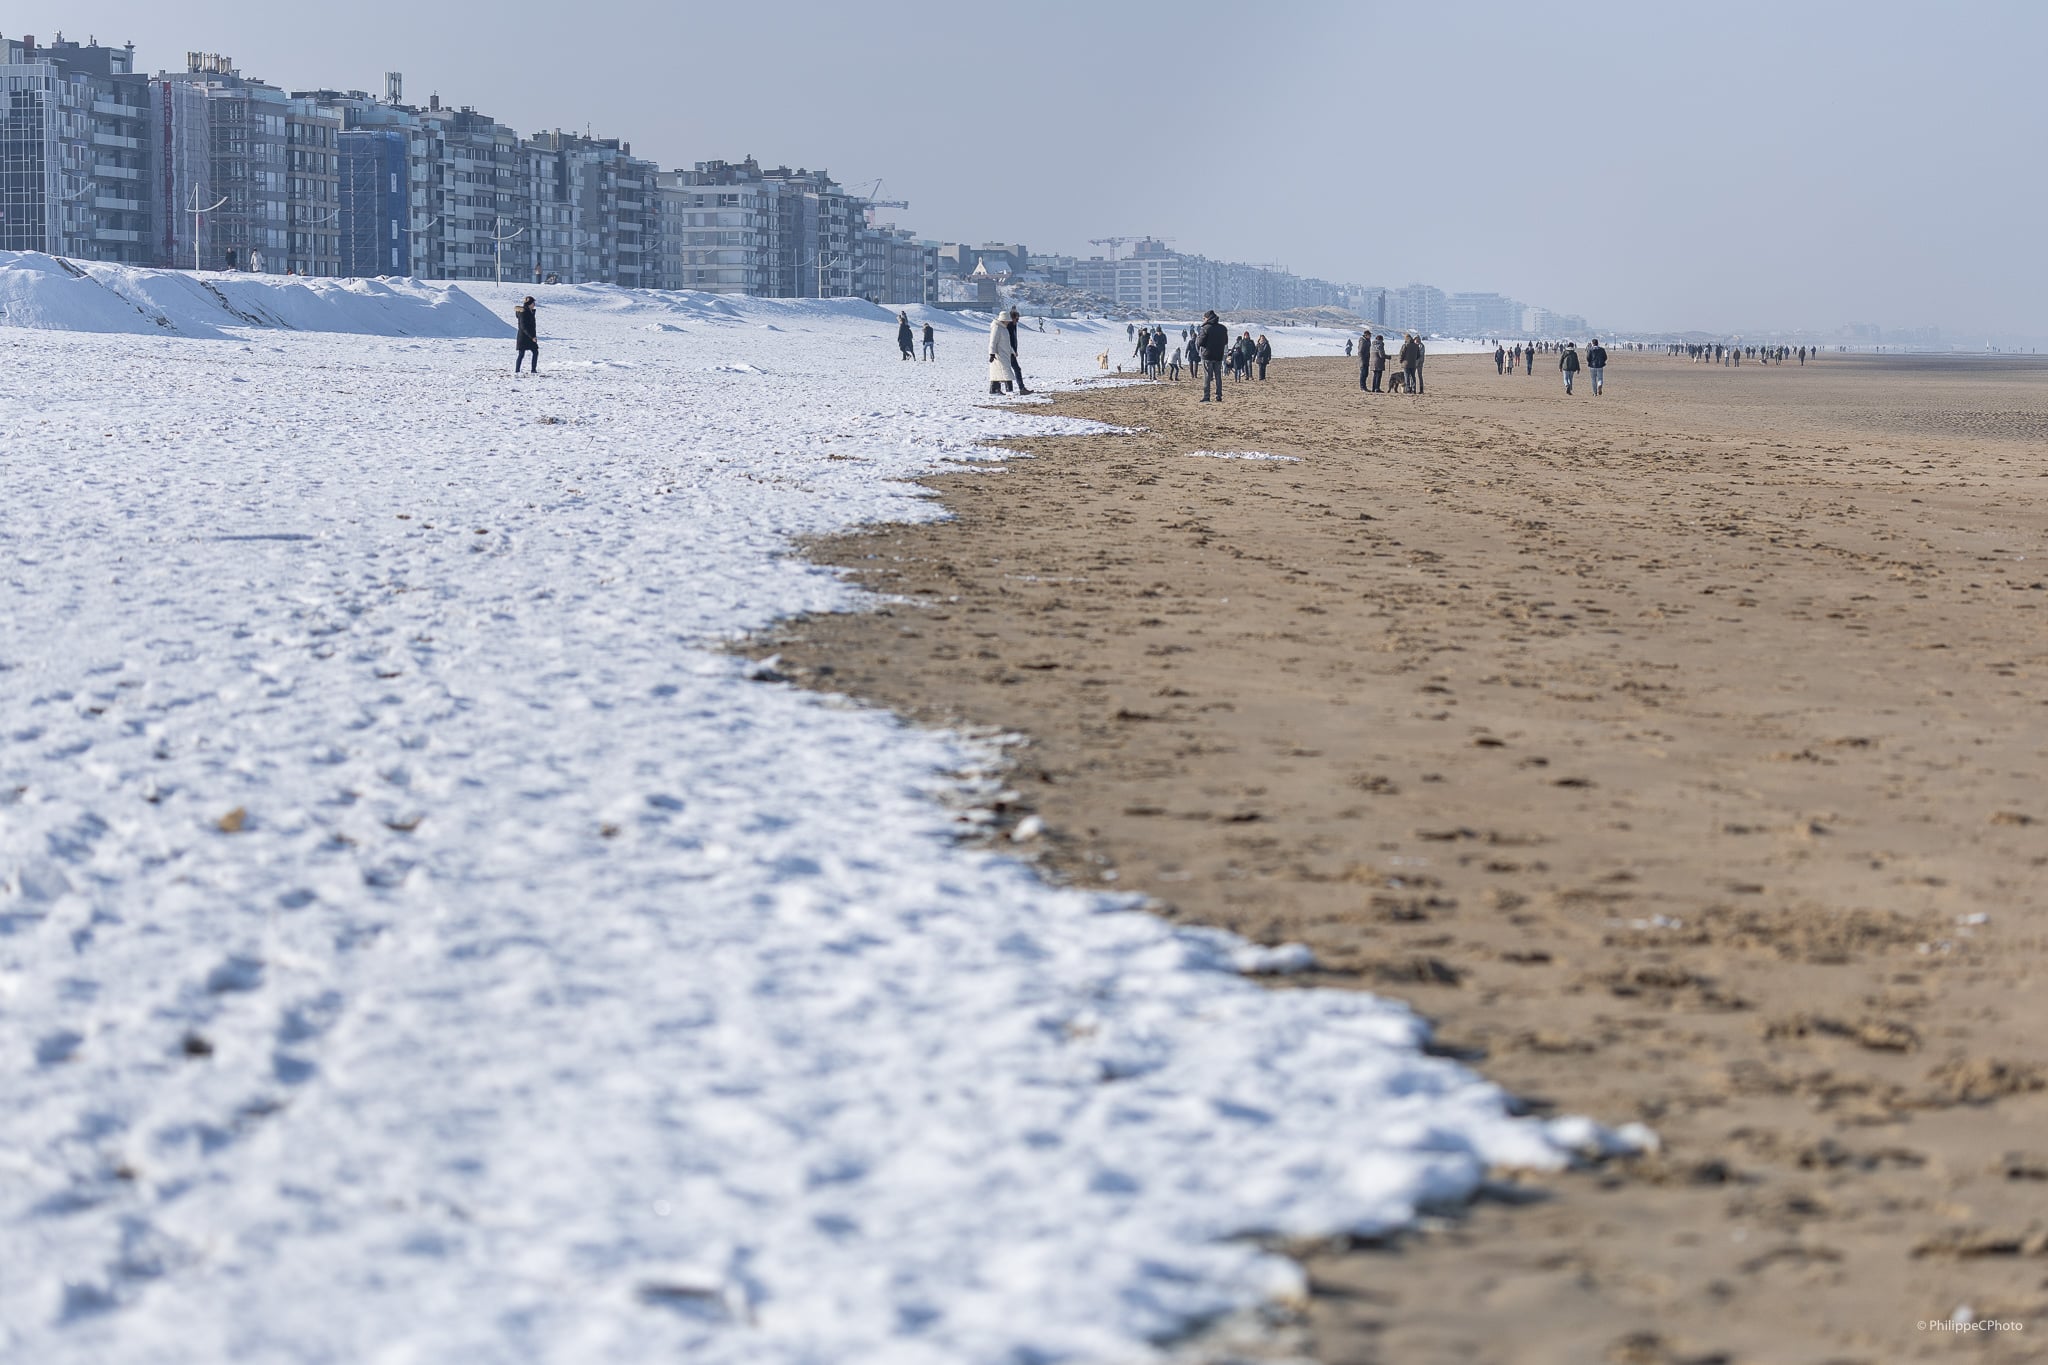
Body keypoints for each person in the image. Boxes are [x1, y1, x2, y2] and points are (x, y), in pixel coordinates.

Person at [988, 308, 1029, 394]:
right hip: (999, 354)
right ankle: (1009, 390)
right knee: (1006, 372)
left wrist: (1013, 351)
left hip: (1006, 353)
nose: (1010, 322)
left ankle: (996, 390)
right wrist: (992, 353)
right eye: (1016, 319)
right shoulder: (997, 328)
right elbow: (993, 341)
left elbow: (1008, 342)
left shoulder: (1004, 328)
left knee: (1002, 372)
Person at [1197, 309, 1229, 402]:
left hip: (1207, 355)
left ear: (1207, 318)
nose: (1203, 320)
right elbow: (1225, 341)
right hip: (1219, 355)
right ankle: (1218, 395)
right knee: (1218, 376)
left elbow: (1200, 342)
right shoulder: (1223, 328)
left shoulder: (1205, 328)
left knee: (1207, 376)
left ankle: (1206, 396)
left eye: (1204, 318)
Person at [514, 296, 539, 374]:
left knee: (535, 351)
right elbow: (523, 326)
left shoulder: (530, 311)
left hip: (529, 336)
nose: (534, 304)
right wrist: (532, 337)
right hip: (524, 337)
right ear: (529, 304)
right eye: (533, 303)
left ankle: (533, 370)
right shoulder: (523, 312)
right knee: (521, 354)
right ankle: (517, 370)